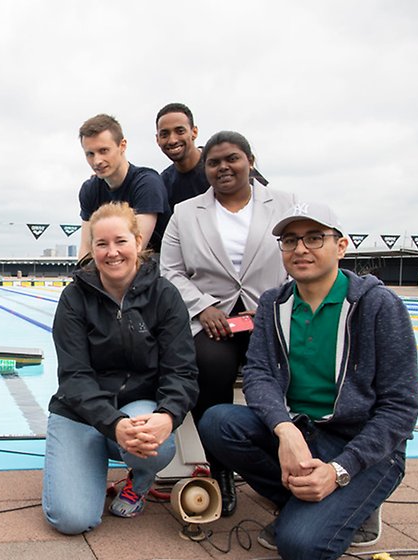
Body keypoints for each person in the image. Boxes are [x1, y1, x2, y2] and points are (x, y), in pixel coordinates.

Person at [198, 203, 418, 560]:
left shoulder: (379, 306)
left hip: (362, 445)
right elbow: (259, 374)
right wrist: (285, 430)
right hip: (302, 430)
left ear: (342, 246)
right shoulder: (274, 303)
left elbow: (401, 408)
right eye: (289, 240)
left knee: (301, 549)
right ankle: (308, 500)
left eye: (315, 238)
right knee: (218, 422)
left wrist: (340, 470)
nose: (300, 249)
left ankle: (346, 503)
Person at [160, 130, 297, 517]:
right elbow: (170, 271)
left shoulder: (284, 204)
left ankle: (279, 461)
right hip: (211, 321)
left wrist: (271, 307)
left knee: (279, 370)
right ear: (205, 169)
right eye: (215, 162)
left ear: (251, 161)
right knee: (209, 365)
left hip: (270, 316)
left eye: (232, 158)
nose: (223, 167)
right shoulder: (186, 212)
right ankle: (220, 468)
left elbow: (298, 260)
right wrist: (203, 308)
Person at [43, 202, 198, 534]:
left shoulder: (165, 297)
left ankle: (139, 482)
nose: (112, 252)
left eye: (120, 241)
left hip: (137, 407)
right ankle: (85, 464)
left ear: (138, 242)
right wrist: (112, 424)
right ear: (92, 249)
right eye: (101, 244)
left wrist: (167, 416)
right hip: (80, 412)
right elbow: (74, 377)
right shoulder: (74, 299)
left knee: (160, 443)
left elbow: (181, 371)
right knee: (72, 519)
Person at [77, 114, 170, 258]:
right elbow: (86, 251)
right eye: (90, 154)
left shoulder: (147, 183)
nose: (97, 161)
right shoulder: (90, 190)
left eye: (103, 151)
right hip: (111, 266)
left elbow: (133, 251)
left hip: (154, 267)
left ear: (122, 145)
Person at [156, 102, 269, 210]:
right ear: (157, 139)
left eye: (180, 131)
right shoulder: (162, 184)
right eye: (164, 134)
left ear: (194, 132)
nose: (172, 140)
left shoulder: (228, 163)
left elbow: (266, 201)